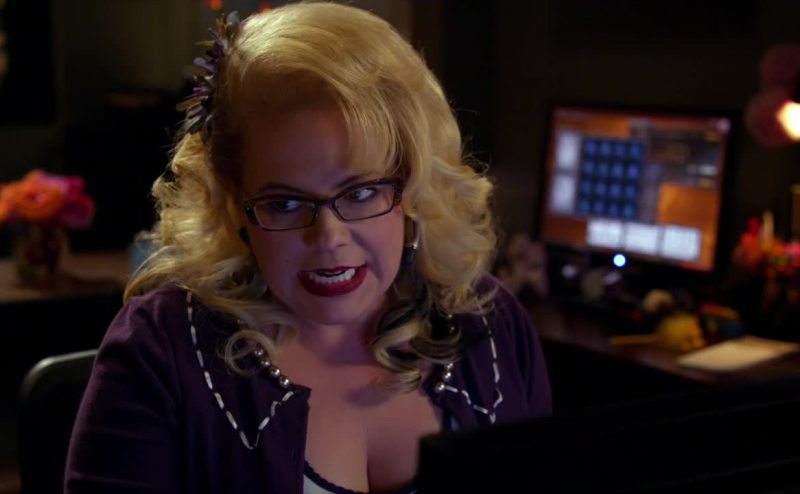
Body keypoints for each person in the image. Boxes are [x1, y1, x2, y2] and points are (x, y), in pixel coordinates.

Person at [64, 3, 551, 493]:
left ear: (413, 186)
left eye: (361, 193)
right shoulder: (162, 349)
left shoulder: (490, 322)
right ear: (235, 202)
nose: (329, 237)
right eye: (284, 203)